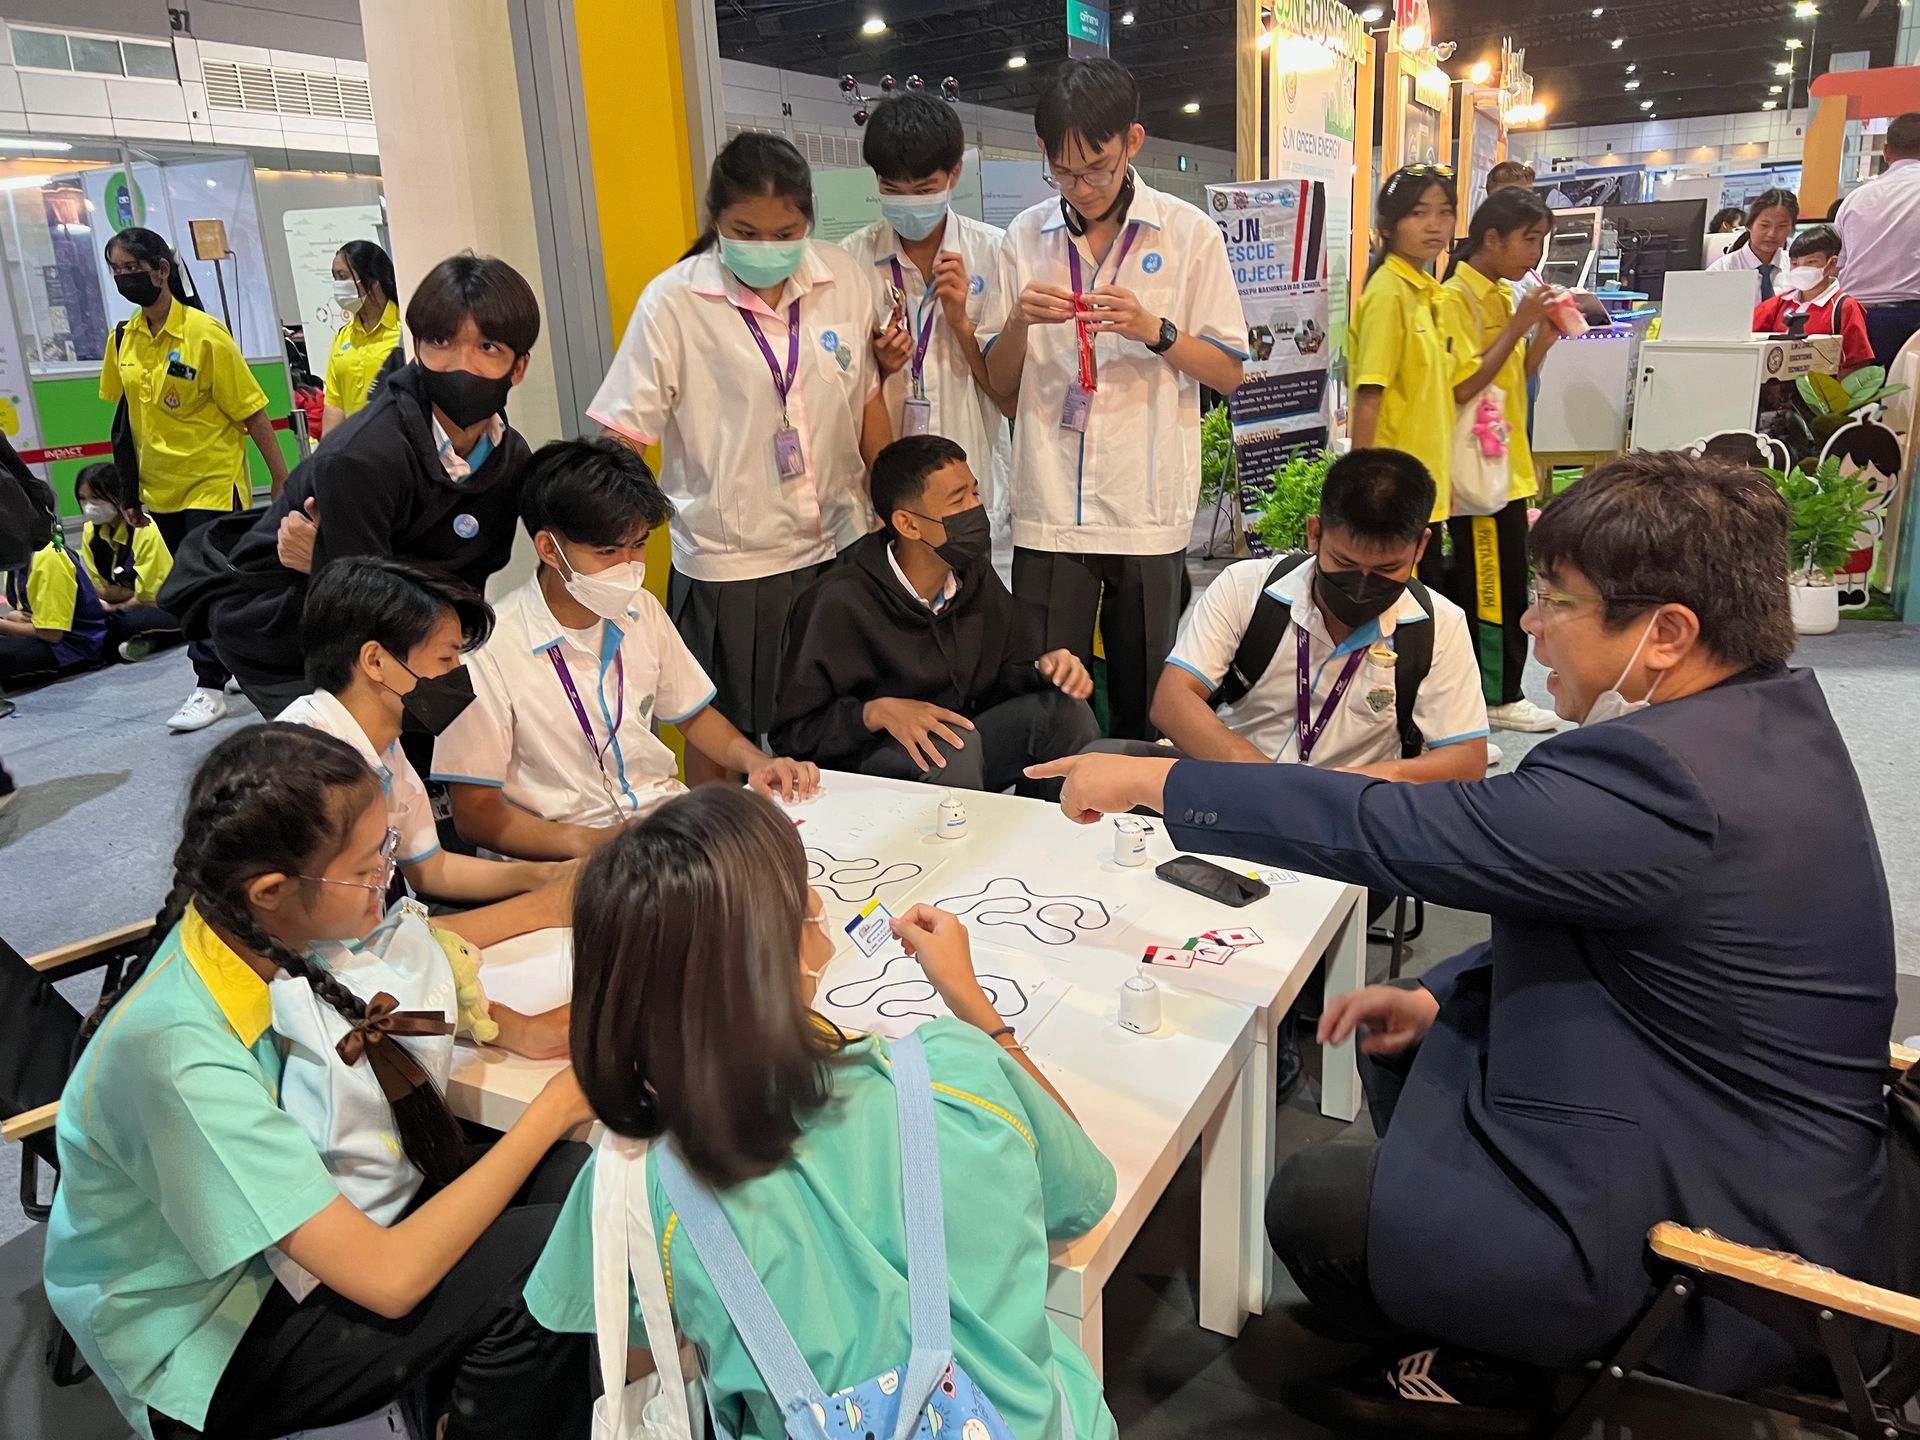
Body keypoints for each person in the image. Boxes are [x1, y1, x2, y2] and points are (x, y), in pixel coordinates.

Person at [1028, 453, 1894, 1434]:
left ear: (1669, 632)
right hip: (1738, 1135)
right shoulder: (1766, 726)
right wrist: (1446, 991)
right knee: (1424, 1049)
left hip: (1718, 1249)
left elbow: (1404, 833)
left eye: (1558, 600)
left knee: (1313, 1205)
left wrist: (1159, 785)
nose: (1528, 623)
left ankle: (1513, 1367)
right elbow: (1640, 921)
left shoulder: (1661, 781)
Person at [43, 724, 597, 1440]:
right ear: (273, 889)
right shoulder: (176, 1057)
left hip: (291, 1245)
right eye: (368, 867)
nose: (386, 880)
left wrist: (521, 1038)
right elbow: (388, 1279)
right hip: (207, 1335)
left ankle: (467, 1398)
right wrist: (552, 1107)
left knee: (570, 1179)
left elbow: (404, 963)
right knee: (539, 1252)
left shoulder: (250, 930)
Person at [520, 784, 1119, 1440]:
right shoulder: (959, 1073)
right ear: (798, 939)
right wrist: (975, 1007)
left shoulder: (643, 1184)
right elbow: (1085, 1194)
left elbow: (641, 1347)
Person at [588, 134, 895, 784]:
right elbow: (621, 436)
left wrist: (893, 511)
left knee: (832, 722)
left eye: (785, 231)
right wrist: (611, 549)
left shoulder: (846, 280)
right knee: (721, 728)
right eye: (745, 232)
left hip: (840, 544)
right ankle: (719, 861)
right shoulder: (673, 302)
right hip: (733, 561)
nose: (767, 247)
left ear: (808, 220)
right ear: (715, 221)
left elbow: (867, 402)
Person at [980, 57, 1246, 741]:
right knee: (1049, 699)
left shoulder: (1188, 234)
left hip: (1145, 508)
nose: (1083, 187)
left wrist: (1154, 331)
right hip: (1049, 515)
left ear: (1133, 141)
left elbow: (1227, 372)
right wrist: (1016, 323)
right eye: (1064, 172)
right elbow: (1003, 388)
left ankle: (1138, 827)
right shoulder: (1022, 238)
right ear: (1043, 154)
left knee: (1144, 702)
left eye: (1096, 167)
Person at [435, 438, 818, 861]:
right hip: (561, 856)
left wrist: (756, 761)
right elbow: (474, 815)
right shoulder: (484, 650)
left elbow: (693, 715)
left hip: (664, 832)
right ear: (549, 548)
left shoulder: (640, 609)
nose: (628, 566)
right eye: (607, 551)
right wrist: (589, 843)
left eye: (638, 545)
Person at [207, 253, 540, 719]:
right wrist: (328, 563)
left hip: (383, 612)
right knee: (359, 759)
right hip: (292, 627)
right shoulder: (363, 455)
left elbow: (466, 584)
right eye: (441, 341)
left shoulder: (508, 458)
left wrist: (325, 558)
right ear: (417, 346)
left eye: (487, 348)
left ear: (518, 367)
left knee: (467, 728)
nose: (460, 365)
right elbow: (358, 610)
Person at [281, 555, 577, 953]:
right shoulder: (304, 767)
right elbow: (354, 949)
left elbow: (430, 867)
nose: (459, 672)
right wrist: (540, 909)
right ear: (376, 661)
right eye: (445, 658)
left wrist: (543, 877)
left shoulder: (383, 745)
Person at [773, 434, 1097, 793]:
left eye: (975, 493)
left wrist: (1044, 669)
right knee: (950, 746)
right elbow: (794, 734)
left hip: (960, 750)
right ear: (908, 524)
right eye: (958, 501)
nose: (975, 509)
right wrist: (873, 713)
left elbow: (1002, 677)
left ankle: (1057, 837)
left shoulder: (972, 576)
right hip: (868, 767)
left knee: (1066, 713)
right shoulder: (839, 600)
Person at [1150, 447, 1488, 784]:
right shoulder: (1246, 589)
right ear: (1315, 532)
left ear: (1421, 546)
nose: (1360, 588)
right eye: (1343, 563)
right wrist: (1269, 781)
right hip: (1238, 788)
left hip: (1355, 809)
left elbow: (1467, 758)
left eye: (1388, 568)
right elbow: (1172, 700)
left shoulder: (1439, 625)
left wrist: (1344, 787)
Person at [102, 226, 289, 732]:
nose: (125, 279)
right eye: (117, 271)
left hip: (211, 480)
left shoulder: (205, 335)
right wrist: (129, 492)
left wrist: (280, 478)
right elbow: (126, 425)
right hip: (159, 489)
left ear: (162, 270)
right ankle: (236, 657)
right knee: (202, 588)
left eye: (133, 269)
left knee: (204, 585)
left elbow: (253, 414)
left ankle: (208, 684)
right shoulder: (123, 338)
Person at [840, 91, 1015, 530]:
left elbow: (1008, 398)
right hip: (884, 493)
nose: (908, 203)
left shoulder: (995, 255)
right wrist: (877, 368)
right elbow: (837, 393)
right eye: (891, 190)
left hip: (969, 484)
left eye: (923, 190)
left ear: (955, 173)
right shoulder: (850, 262)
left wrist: (960, 323)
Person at [1442, 187, 1562, 733]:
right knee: (1489, 586)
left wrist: (1544, 336)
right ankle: (1495, 693)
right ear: (1490, 238)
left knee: (1511, 581)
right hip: (1477, 476)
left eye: (1542, 241)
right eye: (1529, 239)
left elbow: (1514, 376)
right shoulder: (1456, 298)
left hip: (1505, 463)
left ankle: (1503, 688)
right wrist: (1520, 325)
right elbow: (1464, 386)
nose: (1535, 253)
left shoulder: (1501, 293)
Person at [1349, 167, 1460, 558]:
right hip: (1392, 493)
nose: (1434, 224)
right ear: (1389, 225)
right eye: (1418, 213)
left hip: (1423, 490)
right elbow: (1369, 398)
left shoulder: (1429, 293)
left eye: (1444, 212)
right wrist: (1359, 493)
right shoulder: (1388, 293)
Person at [72, 461, 183, 664]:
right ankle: (143, 642)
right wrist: (123, 596)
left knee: (127, 622)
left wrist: (117, 603)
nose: (88, 506)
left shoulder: (145, 529)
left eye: (96, 498)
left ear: (118, 495)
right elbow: (98, 588)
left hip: (165, 607)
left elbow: (151, 597)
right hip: (124, 607)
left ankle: (153, 638)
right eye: (83, 498)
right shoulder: (90, 532)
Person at [1836, 112, 1920, 368]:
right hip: (1915, 321)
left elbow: (1839, 265)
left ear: (1886, 152)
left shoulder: (1854, 199)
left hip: (1859, 320)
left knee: (1862, 406)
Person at [0, 484, 105, 688]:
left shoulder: (48, 556)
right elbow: (22, 611)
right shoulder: (18, 554)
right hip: (42, 636)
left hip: (73, 649)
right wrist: (15, 619)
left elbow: (51, 634)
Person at [1751, 224, 1875, 373]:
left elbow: (1857, 364)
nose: (1801, 269)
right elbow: (1746, 337)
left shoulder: (1844, 307)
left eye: (1811, 262)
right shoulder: (1779, 303)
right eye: (1795, 263)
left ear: (1832, 263)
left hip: (1822, 392)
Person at [322, 239, 402, 432]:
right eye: (335, 278)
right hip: (356, 450)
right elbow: (335, 404)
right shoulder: (343, 337)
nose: (338, 286)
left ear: (373, 281)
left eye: (344, 277)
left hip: (399, 446)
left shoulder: (404, 332)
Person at [1707, 187, 1798, 302]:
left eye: (1782, 227)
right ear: (1749, 225)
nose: (1772, 234)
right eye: (1764, 225)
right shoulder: (1722, 270)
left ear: (1791, 229)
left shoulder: (1796, 267)